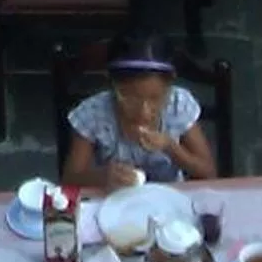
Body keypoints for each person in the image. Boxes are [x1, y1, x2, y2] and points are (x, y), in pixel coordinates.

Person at [60, 33, 216, 192]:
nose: (144, 112)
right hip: (115, 200)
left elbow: (208, 172)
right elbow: (69, 179)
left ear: (169, 86)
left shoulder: (178, 106)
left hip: (169, 200)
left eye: (155, 98)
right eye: (129, 98)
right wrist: (102, 176)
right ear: (113, 84)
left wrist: (171, 147)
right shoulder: (94, 114)